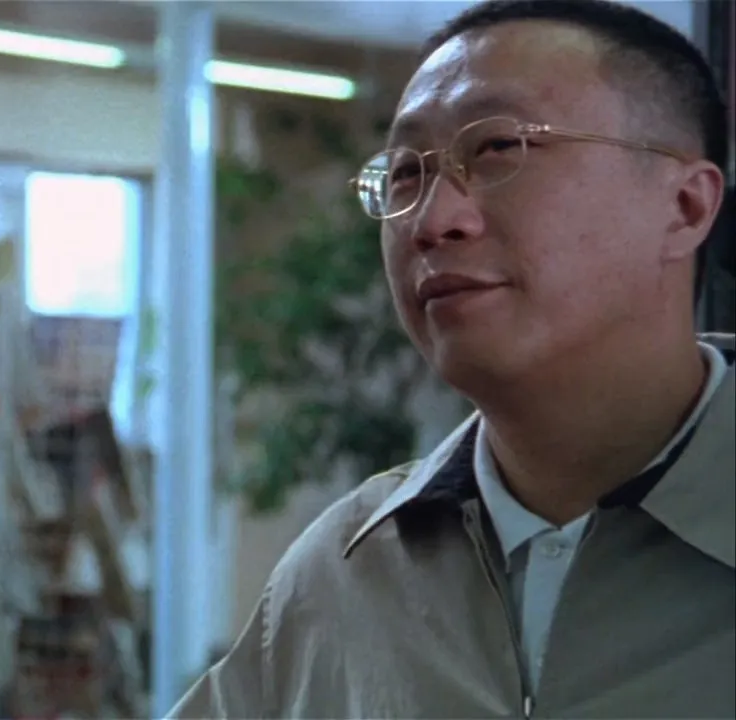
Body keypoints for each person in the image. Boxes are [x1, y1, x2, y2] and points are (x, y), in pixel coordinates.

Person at [170, 0, 732, 717]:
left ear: (684, 206)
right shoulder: (344, 574)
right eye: (407, 173)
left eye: (497, 148)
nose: (433, 222)